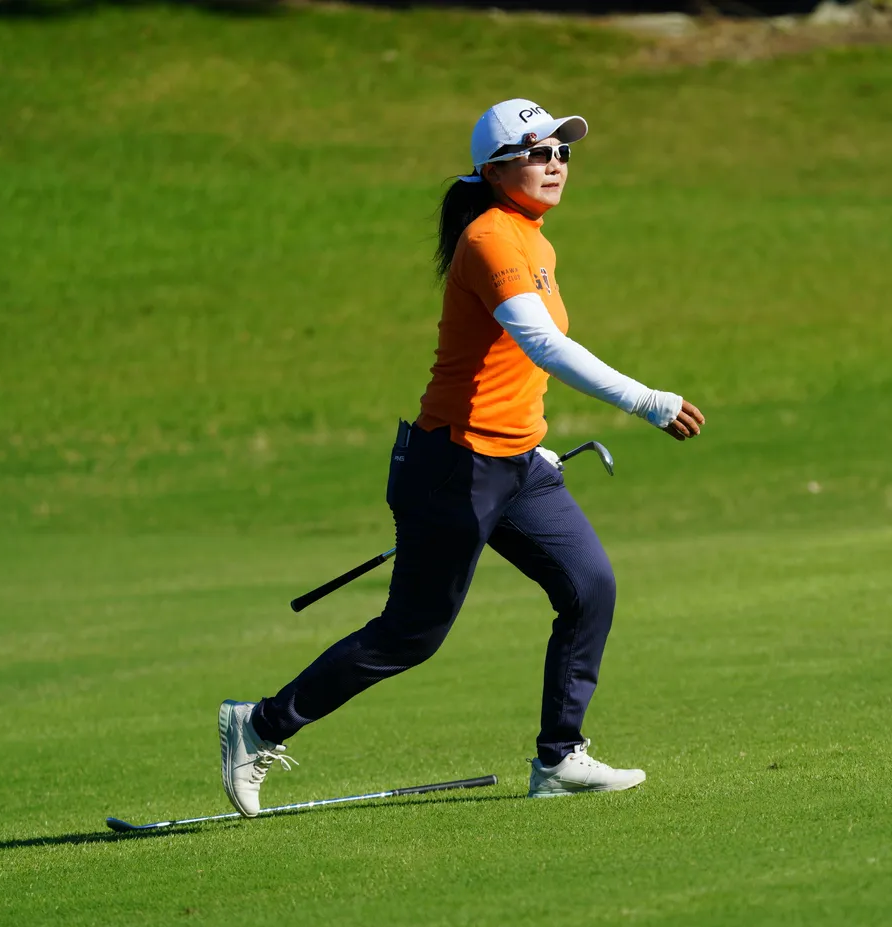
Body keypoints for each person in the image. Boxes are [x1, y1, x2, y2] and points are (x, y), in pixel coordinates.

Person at [219, 99, 706, 815]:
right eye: (539, 152)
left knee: (589, 586)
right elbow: (543, 345)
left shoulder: (532, 240)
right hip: (455, 466)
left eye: (563, 153)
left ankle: (559, 756)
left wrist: (531, 440)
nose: (556, 165)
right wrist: (646, 400)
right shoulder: (490, 239)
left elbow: (513, 367)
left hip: (518, 464)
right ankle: (260, 725)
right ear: (496, 169)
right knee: (412, 634)